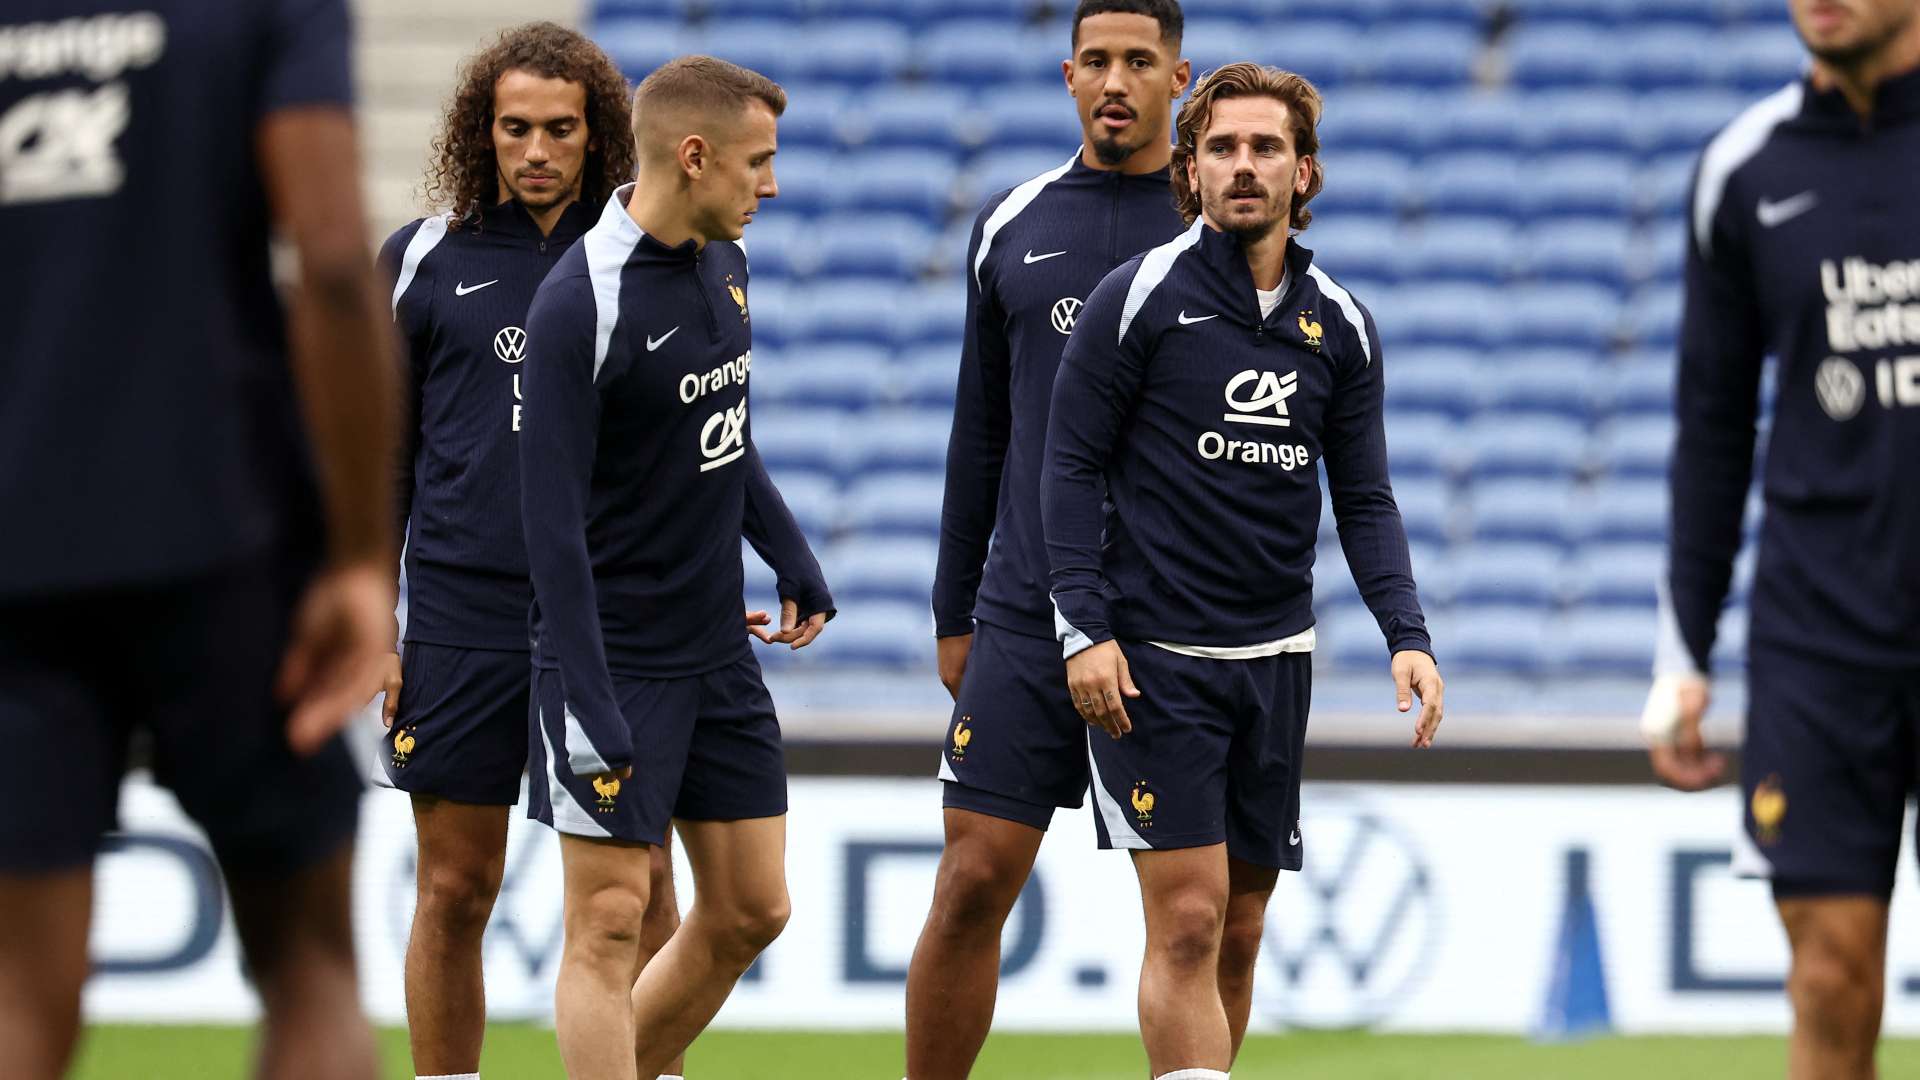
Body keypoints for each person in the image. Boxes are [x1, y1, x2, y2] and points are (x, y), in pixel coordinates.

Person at [374, 24, 830, 1080]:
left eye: (561, 130)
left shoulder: (698, 252)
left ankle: (633, 1064)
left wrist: (787, 551)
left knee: (670, 898)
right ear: (479, 133)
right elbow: (386, 458)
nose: (536, 150)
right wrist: (378, 620)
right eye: (514, 129)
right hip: (469, 611)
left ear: (603, 136)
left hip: (638, 615)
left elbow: (720, 437)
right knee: (458, 887)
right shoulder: (429, 260)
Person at [0, 2, 398, 1078]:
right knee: (309, 970)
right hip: (225, 529)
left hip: (17, 552)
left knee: (16, 1003)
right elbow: (327, 260)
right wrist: (363, 556)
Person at [1042, 63, 1444, 1080]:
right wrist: (1084, 630)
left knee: (1242, 928)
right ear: (1190, 170)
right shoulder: (1135, 301)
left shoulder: (1340, 325)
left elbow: (1364, 497)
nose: (1244, 166)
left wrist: (1408, 635)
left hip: (1275, 662)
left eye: (1266, 148)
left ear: (1303, 171)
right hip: (1153, 665)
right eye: (1221, 148)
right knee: (1185, 919)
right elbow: (1068, 466)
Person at [517, 55, 831, 1080]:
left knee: (751, 908)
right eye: (758, 162)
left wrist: (786, 551)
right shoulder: (578, 303)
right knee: (608, 923)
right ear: (694, 158)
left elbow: (722, 432)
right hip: (612, 660)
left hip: (715, 651)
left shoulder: (724, 261)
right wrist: (590, 702)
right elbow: (550, 527)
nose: (769, 185)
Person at [907, 2, 1197, 1076]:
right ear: (1068, 75)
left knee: (1197, 918)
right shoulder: (1013, 221)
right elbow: (979, 433)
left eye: (1138, 61)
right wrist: (954, 610)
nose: (1114, 80)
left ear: (1179, 74)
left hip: (1173, 623)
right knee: (971, 879)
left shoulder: (1217, 226)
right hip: (1025, 612)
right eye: (1095, 61)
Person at [1643, 1, 1920, 1075]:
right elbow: (1710, 428)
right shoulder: (1742, 170)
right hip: (1820, 639)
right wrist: (1684, 658)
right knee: (1829, 974)